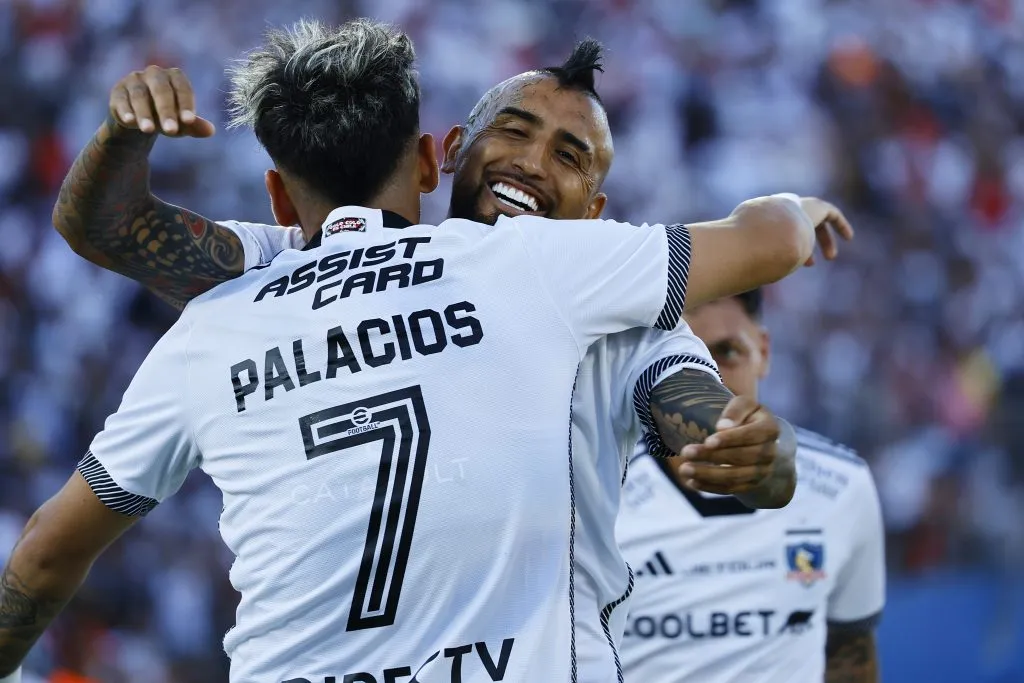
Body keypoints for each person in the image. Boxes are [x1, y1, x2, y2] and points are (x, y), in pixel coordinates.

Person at [34, 24, 854, 683]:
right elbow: (111, 229)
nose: (533, 164)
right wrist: (792, 207)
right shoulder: (304, 259)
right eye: (516, 132)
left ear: (597, 209)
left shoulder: (618, 307)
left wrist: (761, 455)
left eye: (569, 156)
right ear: (447, 152)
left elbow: (722, 430)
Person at [616, 288, 885, 683]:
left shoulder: (843, 486)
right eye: (684, 363)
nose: (710, 382)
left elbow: (850, 652)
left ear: (764, 351)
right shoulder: (598, 496)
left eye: (725, 353)